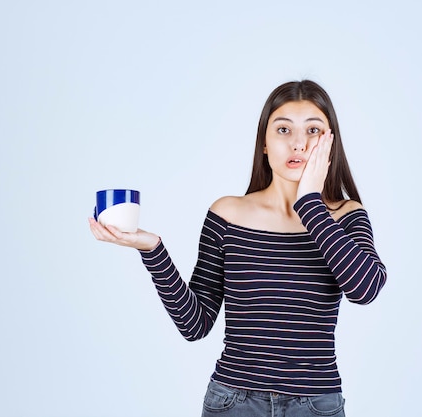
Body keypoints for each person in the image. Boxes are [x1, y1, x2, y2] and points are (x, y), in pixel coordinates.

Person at [88, 79, 387, 416]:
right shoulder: (227, 214)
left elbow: (365, 289)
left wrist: (310, 203)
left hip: (316, 405)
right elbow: (195, 324)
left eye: (313, 130)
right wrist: (152, 249)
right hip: (234, 403)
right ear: (264, 143)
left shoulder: (346, 217)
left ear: (331, 143)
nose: (299, 144)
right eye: (284, 130)